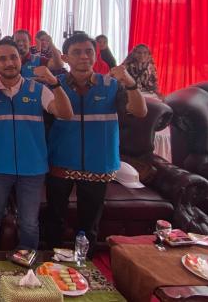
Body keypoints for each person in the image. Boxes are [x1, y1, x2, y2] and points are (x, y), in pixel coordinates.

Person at [45, 33, 147, 254]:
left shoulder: (111, 85)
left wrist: (130, 83)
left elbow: (140, 112)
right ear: (65, 57)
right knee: (54, 220)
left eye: (89, 51)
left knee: (89, 225)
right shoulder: (53, 85)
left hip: (98, 163)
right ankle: (51, 265)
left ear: (96, 54)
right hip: (60, 160)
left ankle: (84, 266)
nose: (84, 57)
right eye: (77, 52)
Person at [0, 38, 73, 251]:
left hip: (33, 169)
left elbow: (65, 113)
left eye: (13, 57)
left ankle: (28, 265)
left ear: (20, 59)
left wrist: (54, 83)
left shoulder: (38, 89)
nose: (9, 63)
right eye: (2, 58)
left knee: (29, 222)